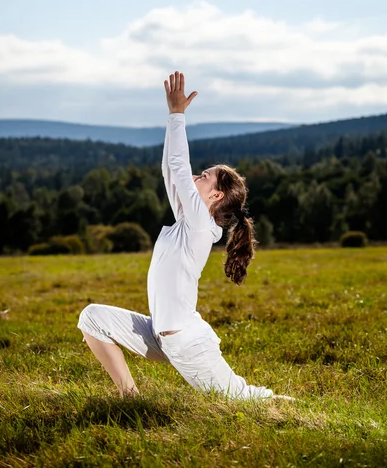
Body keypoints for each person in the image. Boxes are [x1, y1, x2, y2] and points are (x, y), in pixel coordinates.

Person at [77, 71, 294, 402]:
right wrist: (170, 117)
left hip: (187, 344)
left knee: (244, 399)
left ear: (216, 196)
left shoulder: (199, 228)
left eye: (205, 176)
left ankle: (294, 410)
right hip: (158, 334)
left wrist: (178, 115)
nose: (196, 175)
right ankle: (130, 399)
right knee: (92, 317)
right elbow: (170, 170)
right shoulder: (187, 220)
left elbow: (179, 167)